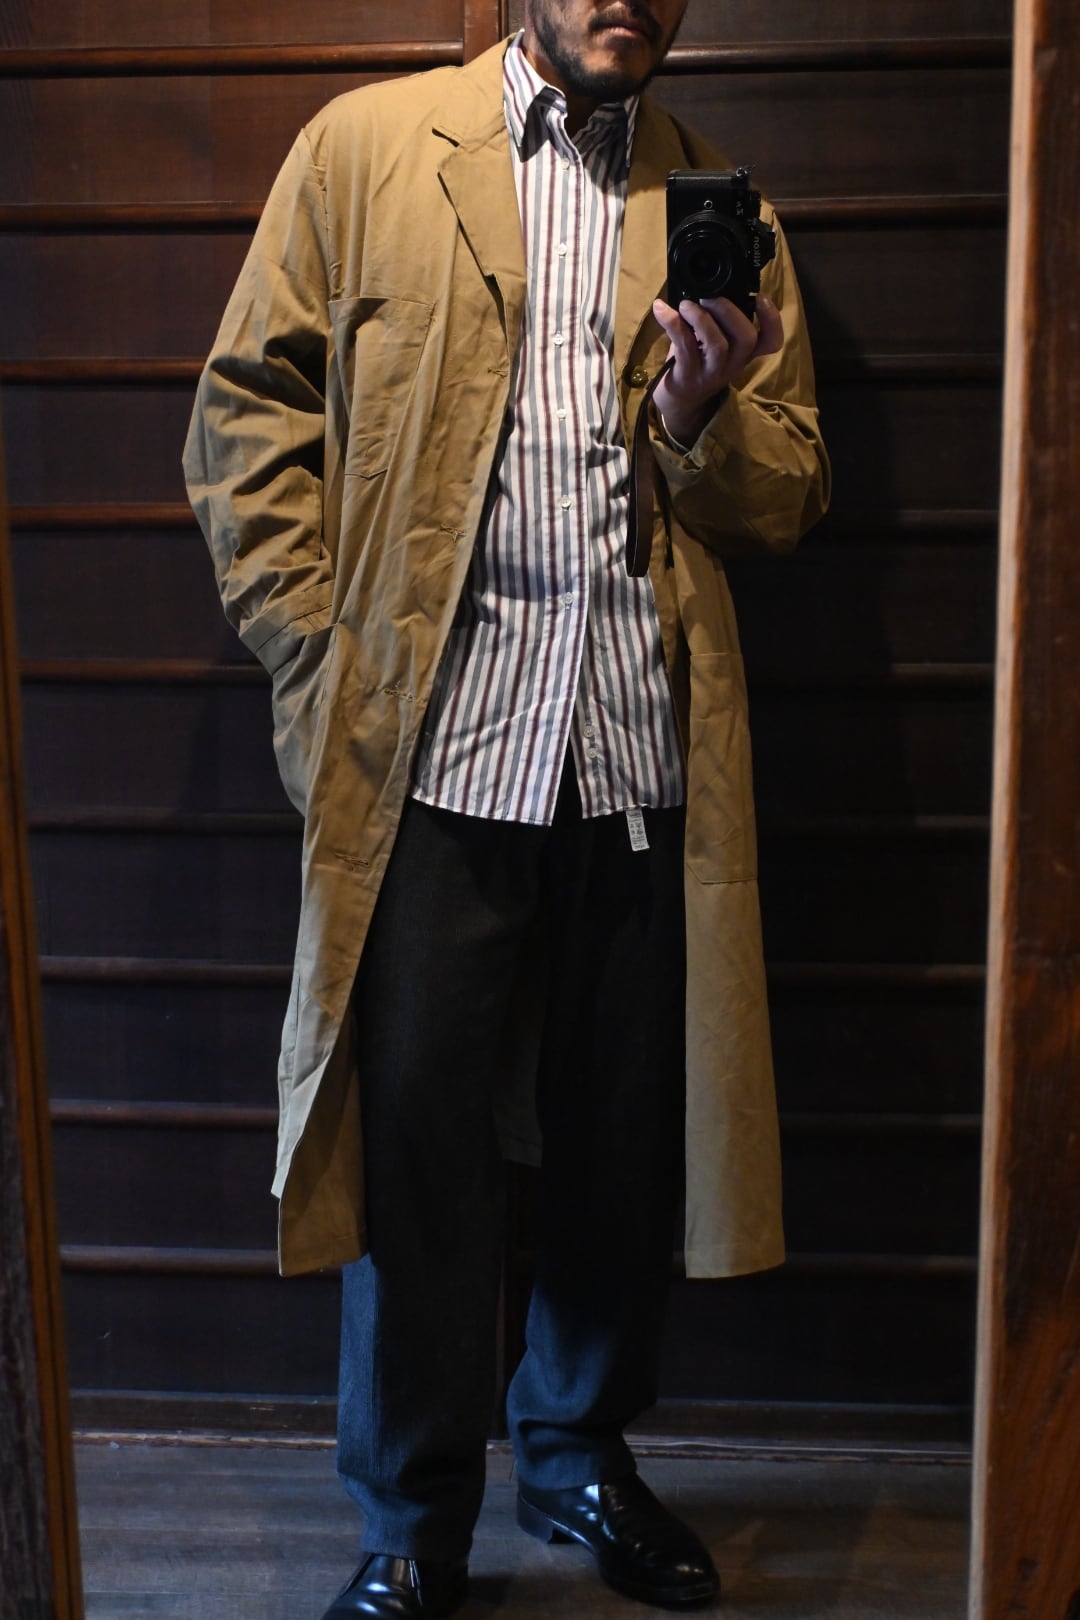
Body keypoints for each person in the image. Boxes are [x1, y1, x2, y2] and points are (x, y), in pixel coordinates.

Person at [184, 2, 829, 1614]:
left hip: (634, 756)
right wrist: (317, 658)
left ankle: (579, 1457)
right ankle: (411, 1517)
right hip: (432, 759)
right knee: (417, 1159)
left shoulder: (718, 199)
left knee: (620, 1151)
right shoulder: (366, 150)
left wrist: (695, 423)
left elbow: (792, 488)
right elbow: (244, 416)